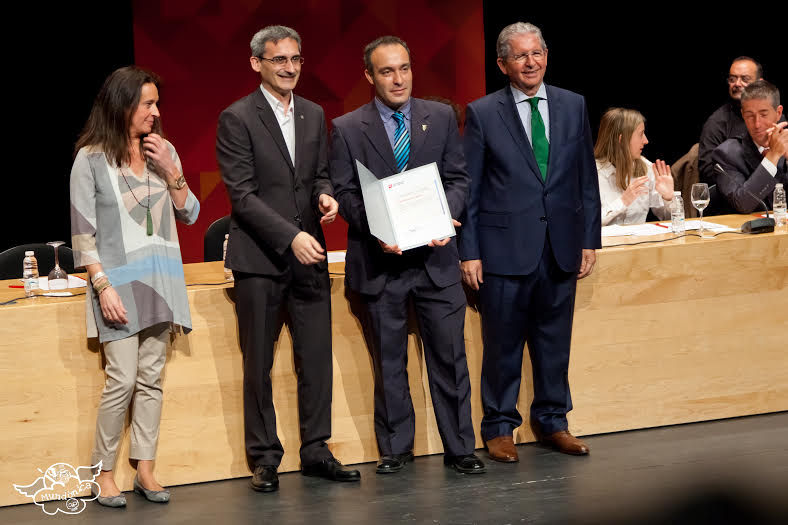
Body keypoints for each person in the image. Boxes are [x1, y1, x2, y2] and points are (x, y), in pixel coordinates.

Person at [329, 36, 484, 475]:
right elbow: (345, 192)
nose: (398, 79)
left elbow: (458, 179)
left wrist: (443, 217)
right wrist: (378, 228)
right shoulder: (347, 128)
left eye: (404, 68)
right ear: (369, 76)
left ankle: (460, 447)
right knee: (390, 362)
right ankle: (396, 447)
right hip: (381, 264)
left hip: (436, 262)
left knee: (450, 359)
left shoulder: (440, 117)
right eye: (387, 71)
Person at [215, 25, 359, 492]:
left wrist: (325, 196)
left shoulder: (313, 113)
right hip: (259, 259)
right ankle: (264, 457)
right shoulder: (237, 117)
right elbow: (242, 196)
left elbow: (319, 175)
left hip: (308, 257)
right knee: (258, 364)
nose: (290, 67)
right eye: (279, 59)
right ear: (256, 63)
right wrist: (291, 236)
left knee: (315, 359)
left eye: (295, 58)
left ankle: (316, 449)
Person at [459, 22, 600, 463]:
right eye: (520, 56)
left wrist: (589, 239)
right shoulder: (483, 112)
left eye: (536, 53)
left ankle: (553, 421)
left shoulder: (573, 104)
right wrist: (469, 251)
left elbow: (585, 179)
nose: (531, 62)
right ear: (503, 64)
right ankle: (500, 427)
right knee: (502, 345)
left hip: (560, 246)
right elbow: (470, 189)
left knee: (554, 343)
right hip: (504, 251)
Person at [70, 66, 200, 507]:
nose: (155, 112)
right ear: (122, 105)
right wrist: (102, 285)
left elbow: (190, 213)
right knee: (121, 380)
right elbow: (83, 234)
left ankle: (145, 469)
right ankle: (102, 472)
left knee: (151, 379)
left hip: (162, 281)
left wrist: (170, 168)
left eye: (156, 103)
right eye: (147, 103)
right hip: (118, 285)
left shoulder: (164, 150)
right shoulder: (90, 159)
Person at [712, 80, 788, 213]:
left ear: (778, 112)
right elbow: (743, 204)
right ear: (742, 115)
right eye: (750, 116)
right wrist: (773, 155)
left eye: (763, 115)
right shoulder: (726, 154)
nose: (757, 124)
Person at [594, 108, 675, 226]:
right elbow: (586, 223)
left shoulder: (646, 168)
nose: (646, 141)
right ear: (622, 140)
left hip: (641, 238)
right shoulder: (593, 173)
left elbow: (671, 220)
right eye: (641, 134)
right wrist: (623, 202)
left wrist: (668, 198)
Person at [699, 57, 762, 185]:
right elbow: (707, 172)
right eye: (732, 79)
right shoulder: (717, 122)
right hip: (733, 192)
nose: (737, 84)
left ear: (760, 84)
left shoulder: (773, 116)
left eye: (745, 79)